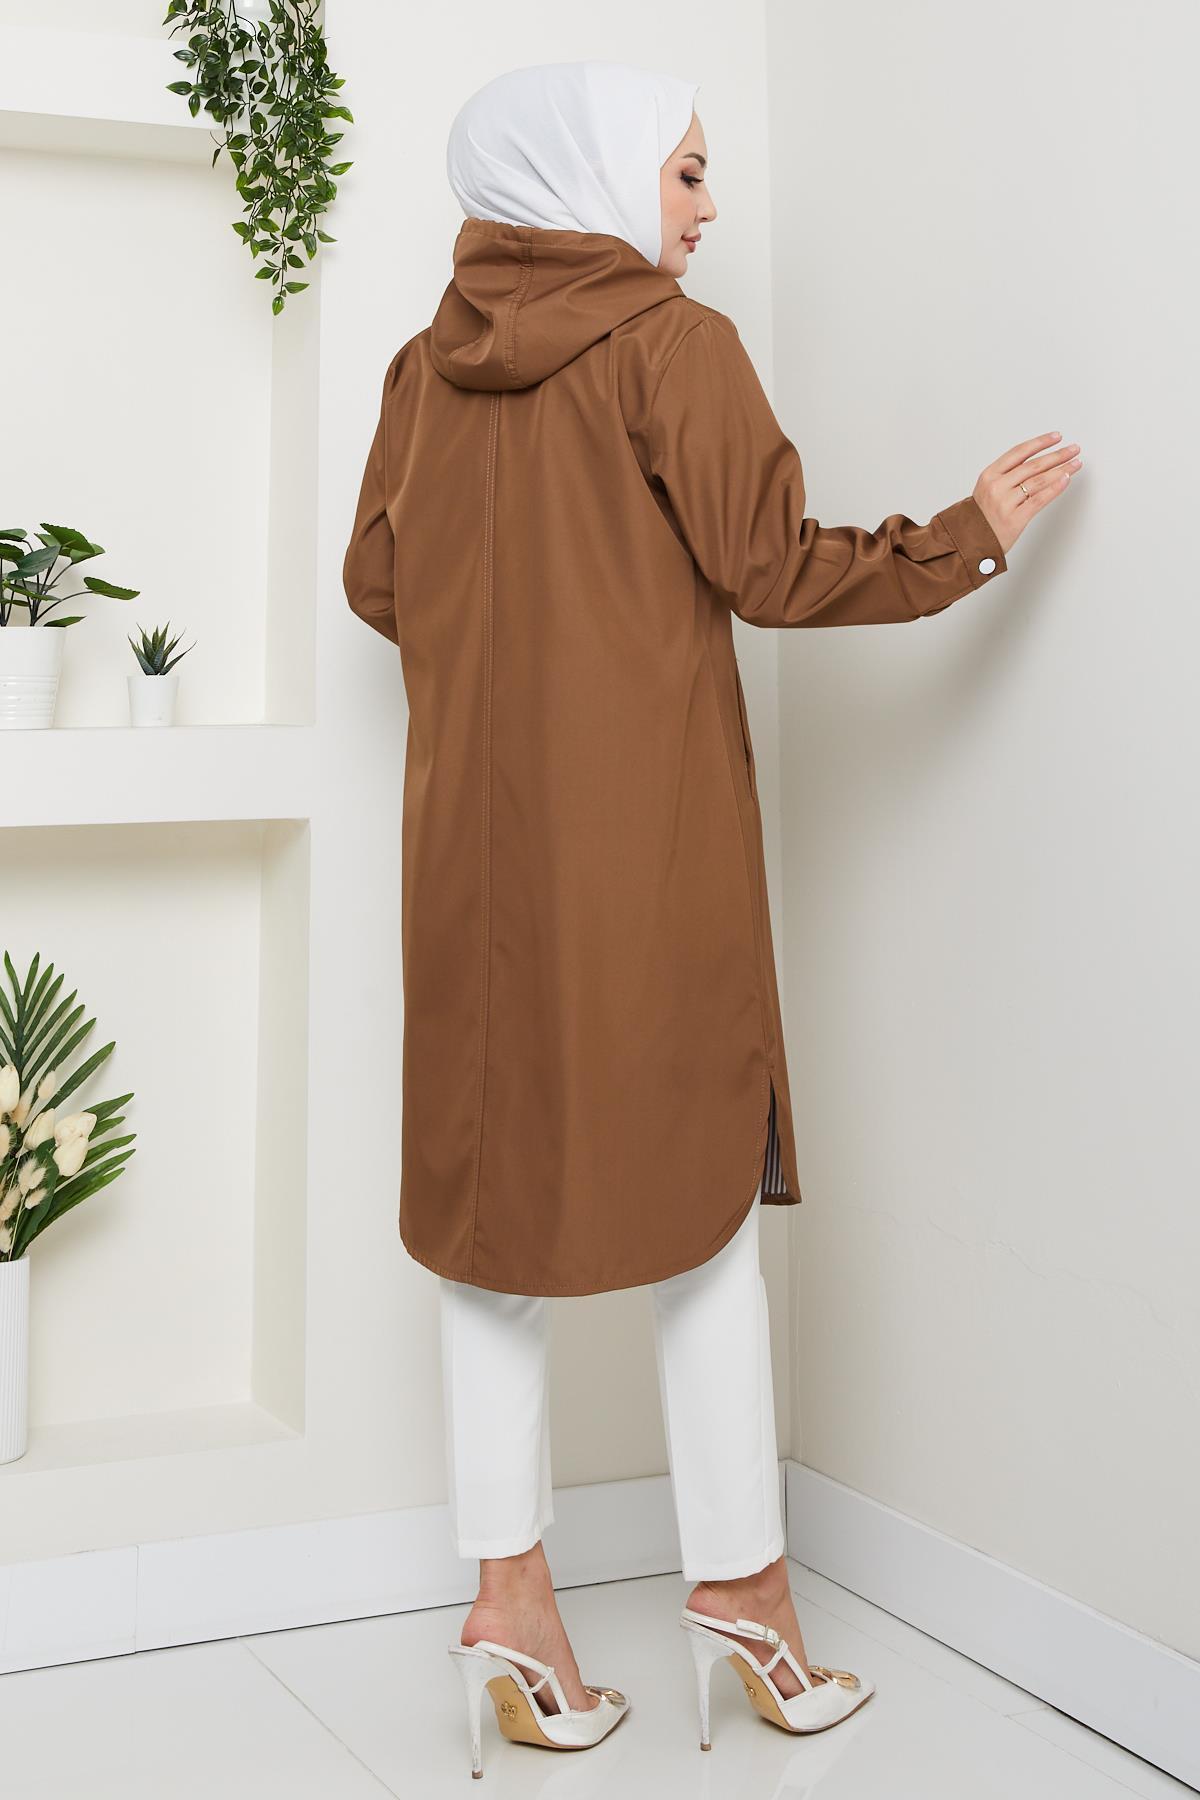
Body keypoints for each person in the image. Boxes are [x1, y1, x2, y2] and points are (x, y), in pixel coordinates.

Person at [343, 59, 1081, 1774]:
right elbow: (775, 568)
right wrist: (965, 536)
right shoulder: (675, 348)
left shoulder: (419, 368)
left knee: (488, 1228)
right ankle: (746, 1598)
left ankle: (510, 1606)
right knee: (702, 1216)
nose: (704, 206)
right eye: (682, 171)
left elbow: (379, 582)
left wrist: (518, 643)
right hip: (643, 853)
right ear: (598, 177)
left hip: (467, 860)